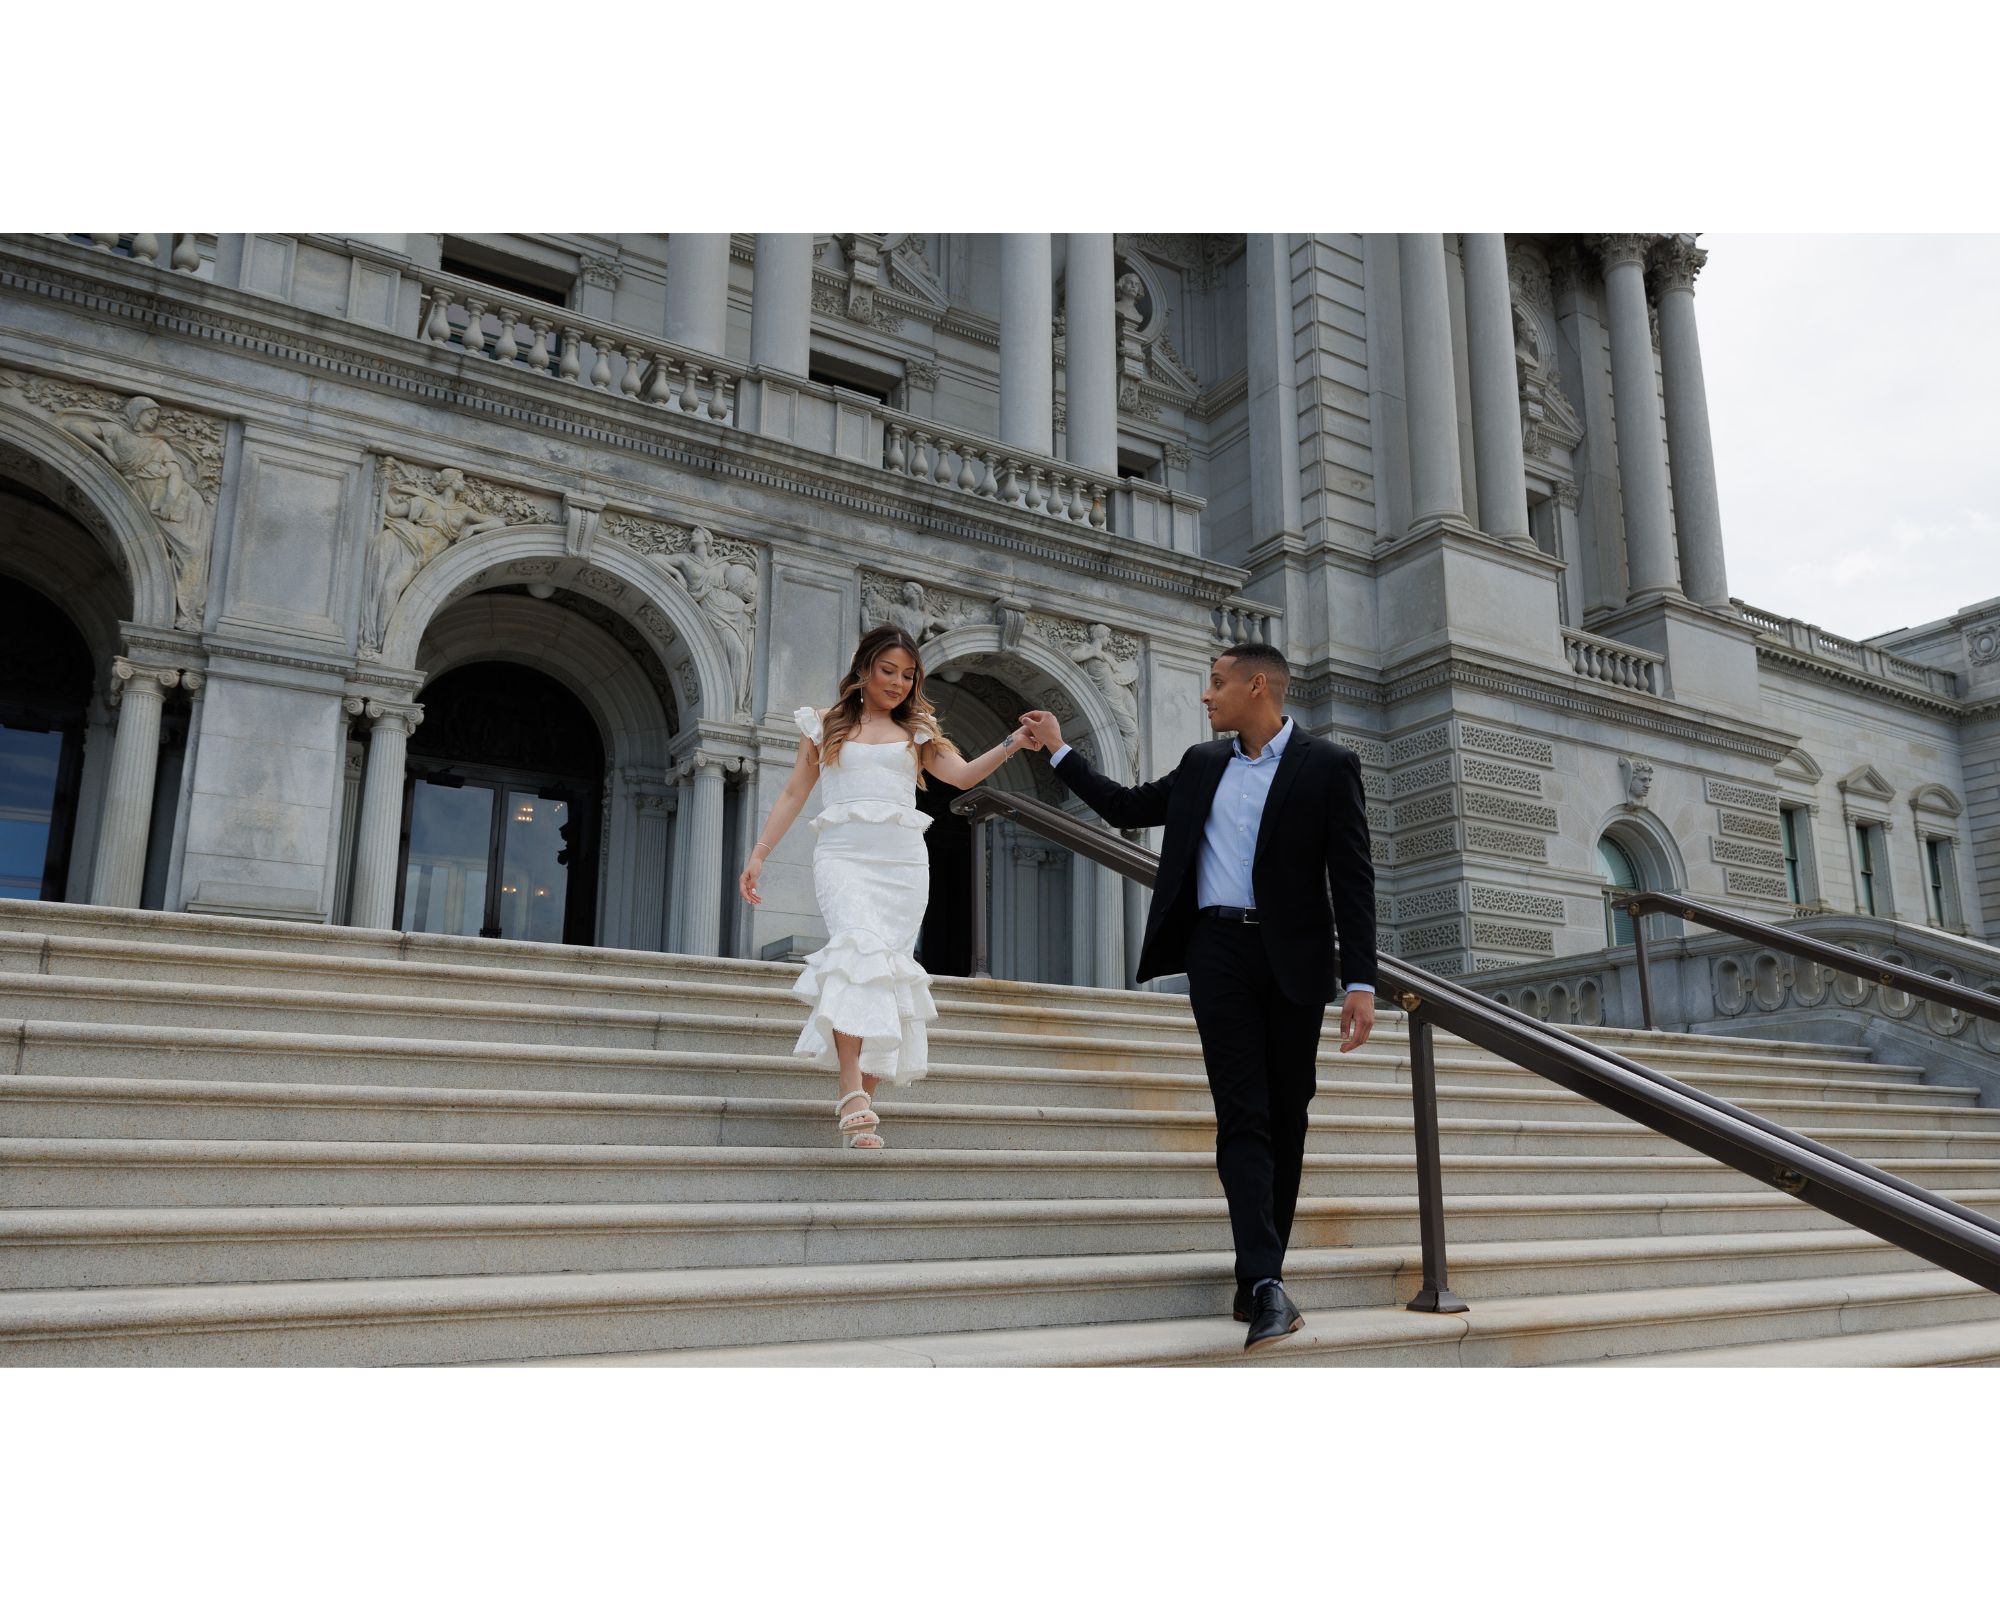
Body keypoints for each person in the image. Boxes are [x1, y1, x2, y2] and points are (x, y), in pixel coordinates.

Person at [1017, 641, 1376, 1351]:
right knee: (1242, 1114)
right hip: (1218, 953)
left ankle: (1258, 1274)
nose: (1207, 696)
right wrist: (1059, 751)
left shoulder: (1330, 766)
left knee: (1288, 1112)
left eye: (1217, 684)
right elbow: (1126, 805)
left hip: (1294, 959)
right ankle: (1268, 1280)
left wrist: (1361, 979)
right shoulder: (1202, 764)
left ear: (1258, 685)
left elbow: (1353, 874)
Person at [739, 625, 1032, 1148]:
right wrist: (759, 855)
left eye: (908, 675)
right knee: (856, 953)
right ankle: (851, 1092)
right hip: (843, 855)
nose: (898, 682)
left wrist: (1013, 743)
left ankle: (863, 1108)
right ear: (864, 669)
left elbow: (963, 777)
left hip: (902, 862)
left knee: (888, 973)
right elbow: (792, 792)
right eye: (888, 671)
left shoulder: (919, 730)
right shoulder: (823, 725)